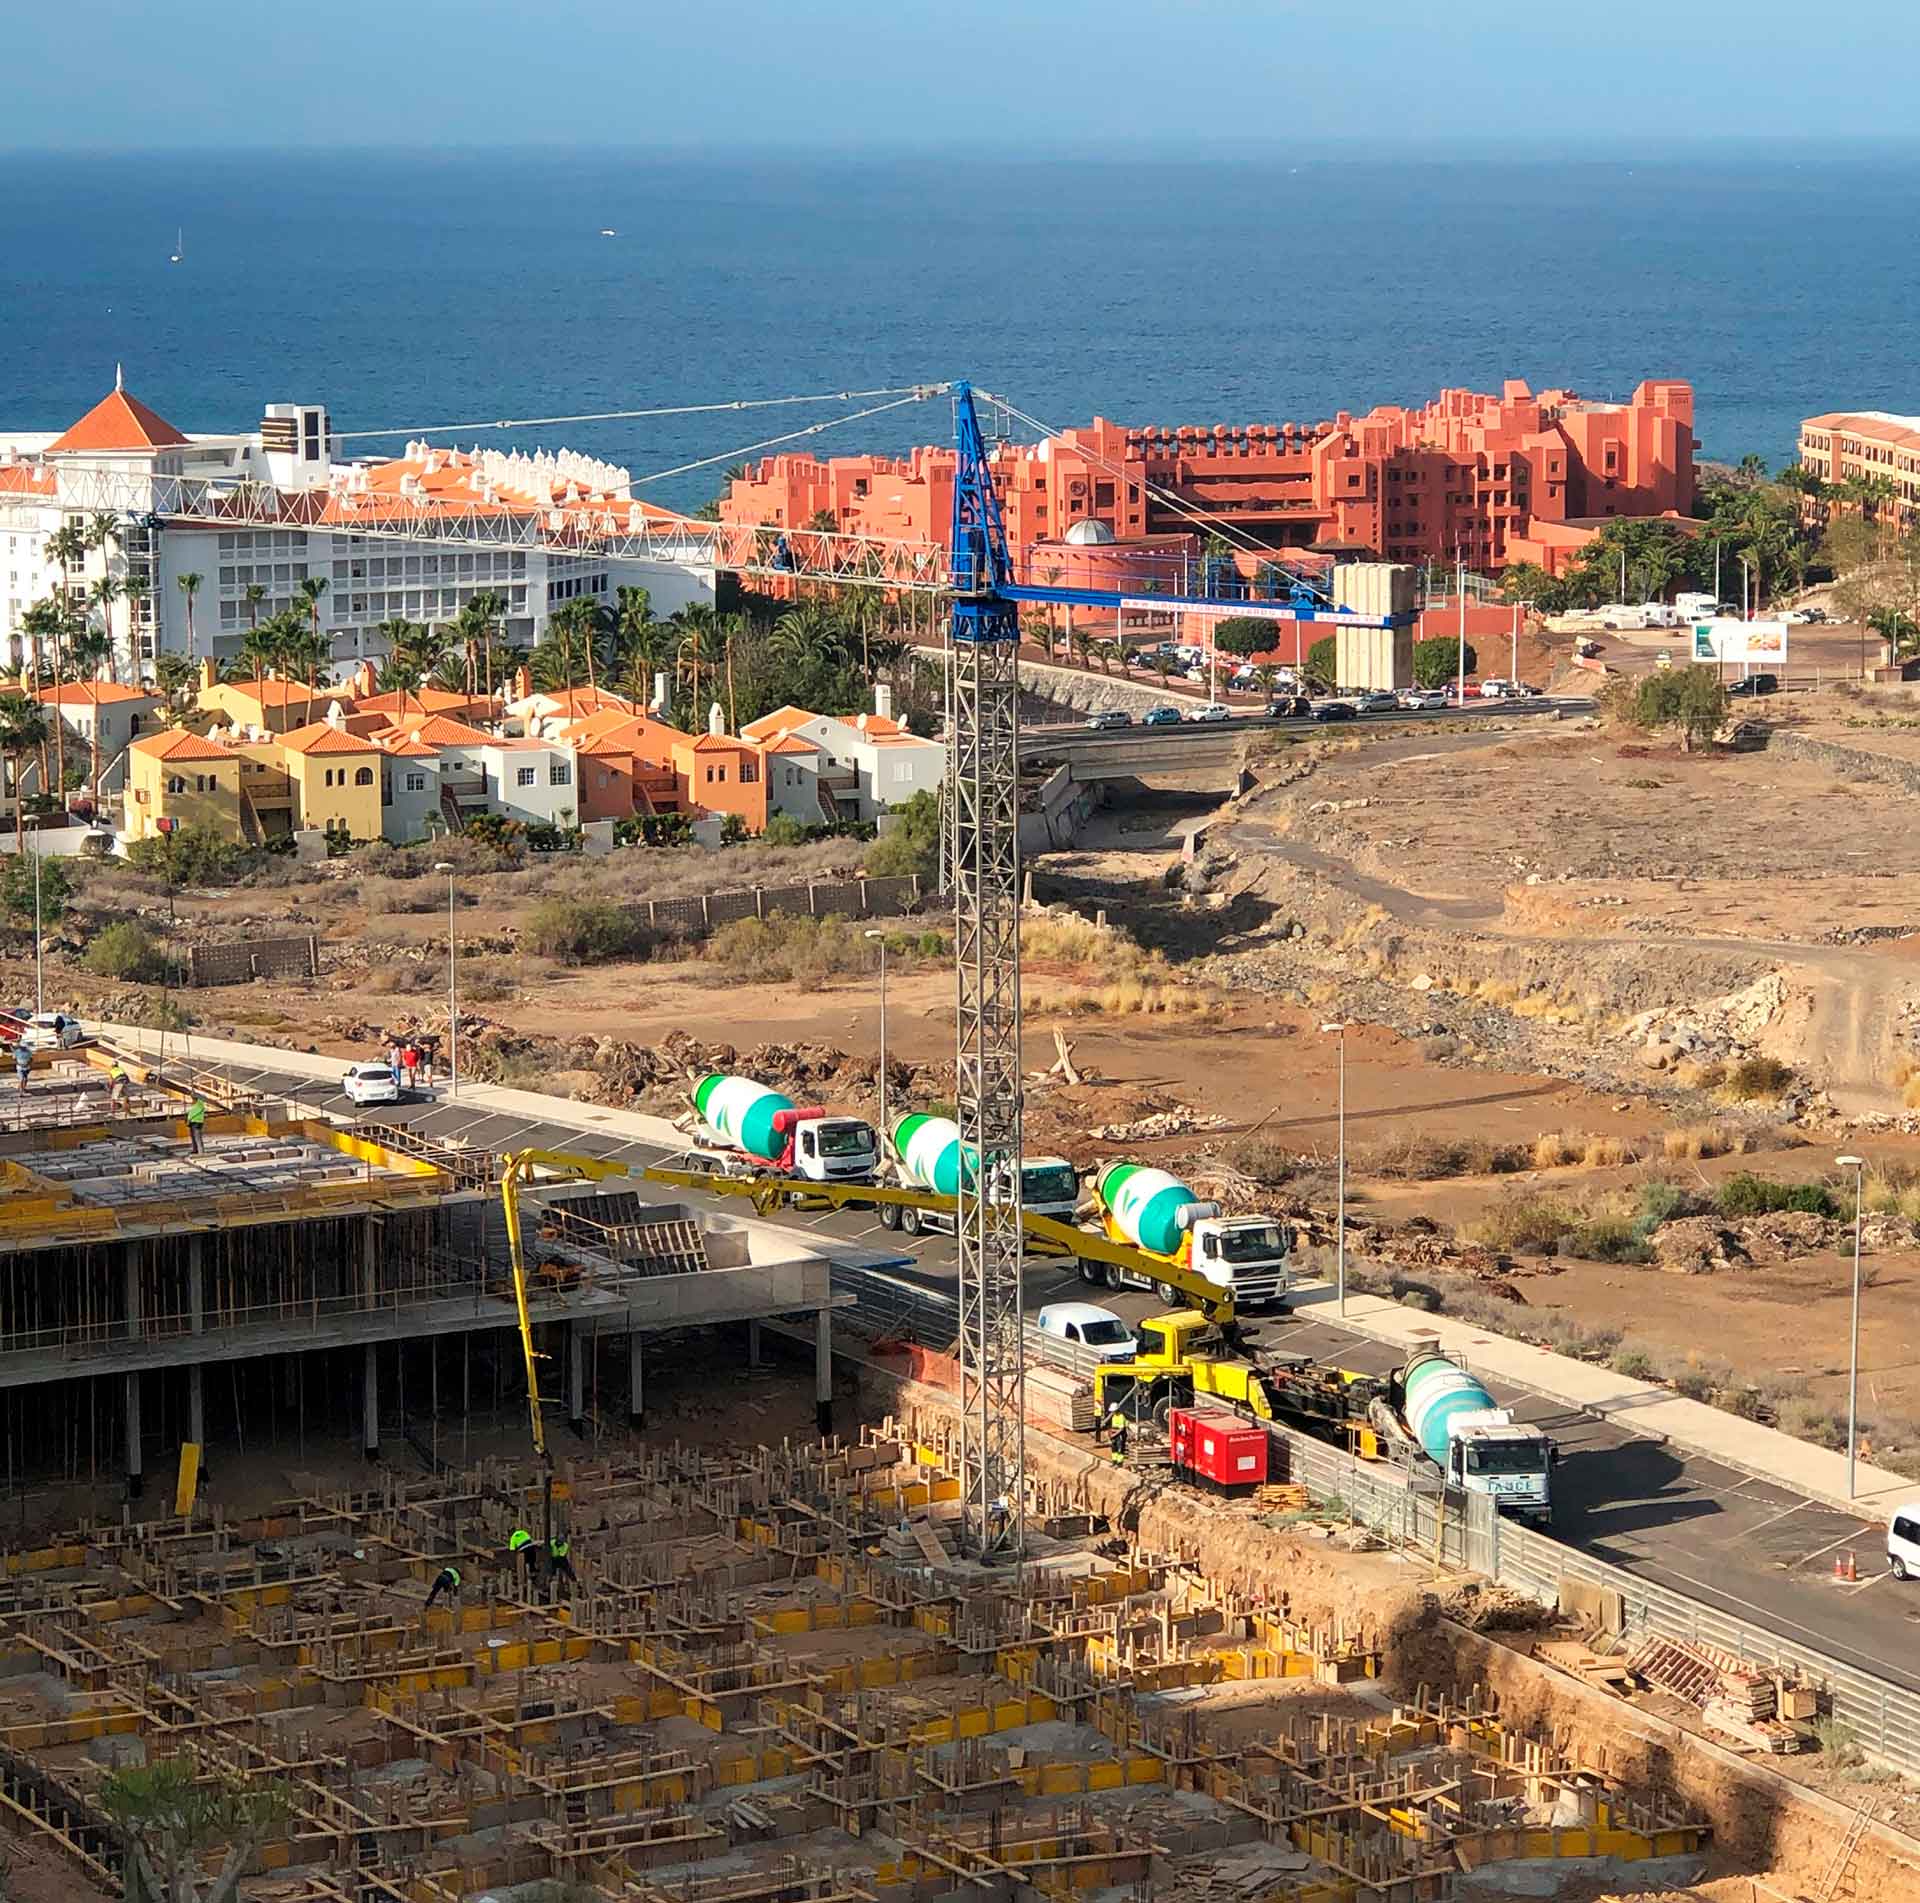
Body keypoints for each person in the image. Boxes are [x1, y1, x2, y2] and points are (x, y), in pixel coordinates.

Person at [547, 1531, 577, 1596]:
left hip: (561, 1559)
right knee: (550, 1569)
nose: (559, 1543)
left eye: (561, 1542)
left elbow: (561, 1556)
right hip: (552, 1559)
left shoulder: (565, 1546)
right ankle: (550, 1584)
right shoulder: (551, 1542)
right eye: (559, 1541)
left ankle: (574, 1582)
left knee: (568, 1569)